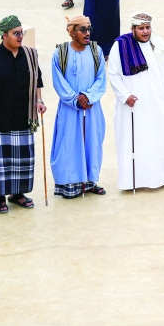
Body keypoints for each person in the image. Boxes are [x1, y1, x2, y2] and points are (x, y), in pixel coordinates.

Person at [0, 16, 46, 213]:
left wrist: (39, 100)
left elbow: (37, 80)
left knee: (21, 159)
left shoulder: (30, 55)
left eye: (22, 33)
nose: (21, 37)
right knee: (0, 161)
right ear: (4, 35)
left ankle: (18, 194)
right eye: (16, 33)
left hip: (23, 116)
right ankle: (0, 197)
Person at [107, 13, 164, 191]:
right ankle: (133, 181)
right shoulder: (121, 45)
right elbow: (114, 74)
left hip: (158, 103)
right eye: (141, 28)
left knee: (162, 140)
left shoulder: (160, 45)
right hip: (133, 105)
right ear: (133, 29)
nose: (145, 31)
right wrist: (125, 95)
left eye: (147, 27)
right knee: (135, 141)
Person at [50, 15, 107, 198]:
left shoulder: (96, 51)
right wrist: (75, 99)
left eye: (89, 29)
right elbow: (58, 81)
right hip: (69, 108)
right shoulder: (60, 53)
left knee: (92, 142)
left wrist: (88, 97)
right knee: (69, 143)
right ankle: (69, 185)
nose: (87, 33)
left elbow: (101, 79)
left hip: (91, 107)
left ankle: (90, 182)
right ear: (71, 31)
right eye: (82, 29)